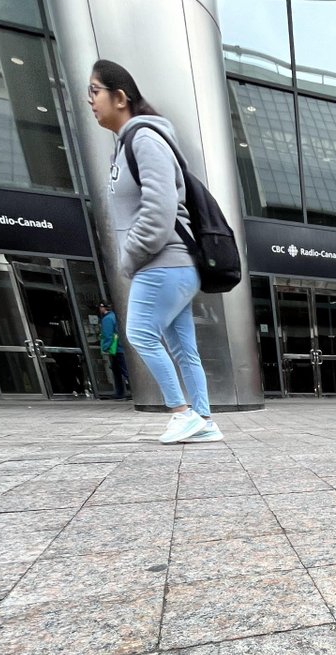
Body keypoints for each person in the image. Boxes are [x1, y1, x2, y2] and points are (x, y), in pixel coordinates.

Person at [88, 59, 222, 444]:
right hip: (173, 264)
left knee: (141, 333)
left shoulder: (144, 139)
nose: (90, 101)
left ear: (120, 97)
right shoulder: (132, 142)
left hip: (163, 261)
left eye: (95, 91)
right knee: (184, 348)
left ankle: (182, 413)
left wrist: (128, 259)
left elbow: (159, 210)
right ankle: (204, 419)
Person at [97, 302, 130, 399]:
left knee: (123, 370)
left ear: (103, 308)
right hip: (120, 347)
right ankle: (120, 392)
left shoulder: (107, 319)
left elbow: (108, 334)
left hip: (115, 348)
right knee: (117, 369)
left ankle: (128, 392)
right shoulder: (115, 316)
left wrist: (105, 347)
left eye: (99, 307)